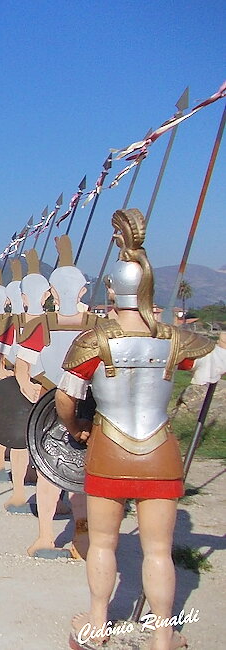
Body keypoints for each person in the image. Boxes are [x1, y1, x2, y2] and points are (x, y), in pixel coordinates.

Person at [56, 209, 225, 650]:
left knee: (104, 543)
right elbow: (214, 365)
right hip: (159, 449)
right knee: (157, 551)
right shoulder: (173, 338)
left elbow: (65, 397)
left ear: (112, 290)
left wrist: (75, 426)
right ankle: (163, 636)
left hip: (109, 447)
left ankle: (96, 624)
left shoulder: (93, 341)